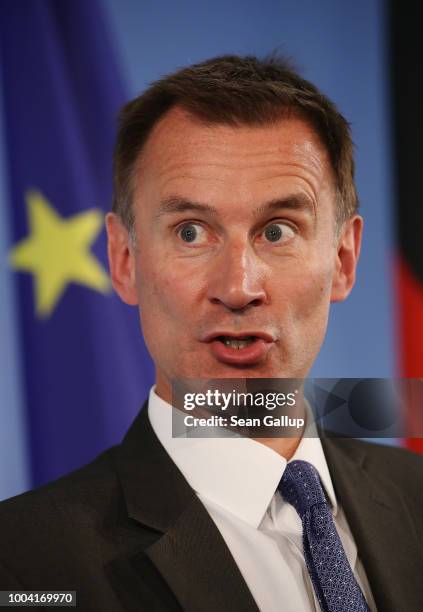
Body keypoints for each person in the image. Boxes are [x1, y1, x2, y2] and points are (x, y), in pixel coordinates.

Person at [0, 54, 422, 612]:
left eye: (278, 230)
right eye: (192, 232)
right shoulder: (23, 562)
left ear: (343, 259)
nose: (239, 286)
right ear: (125, 260)